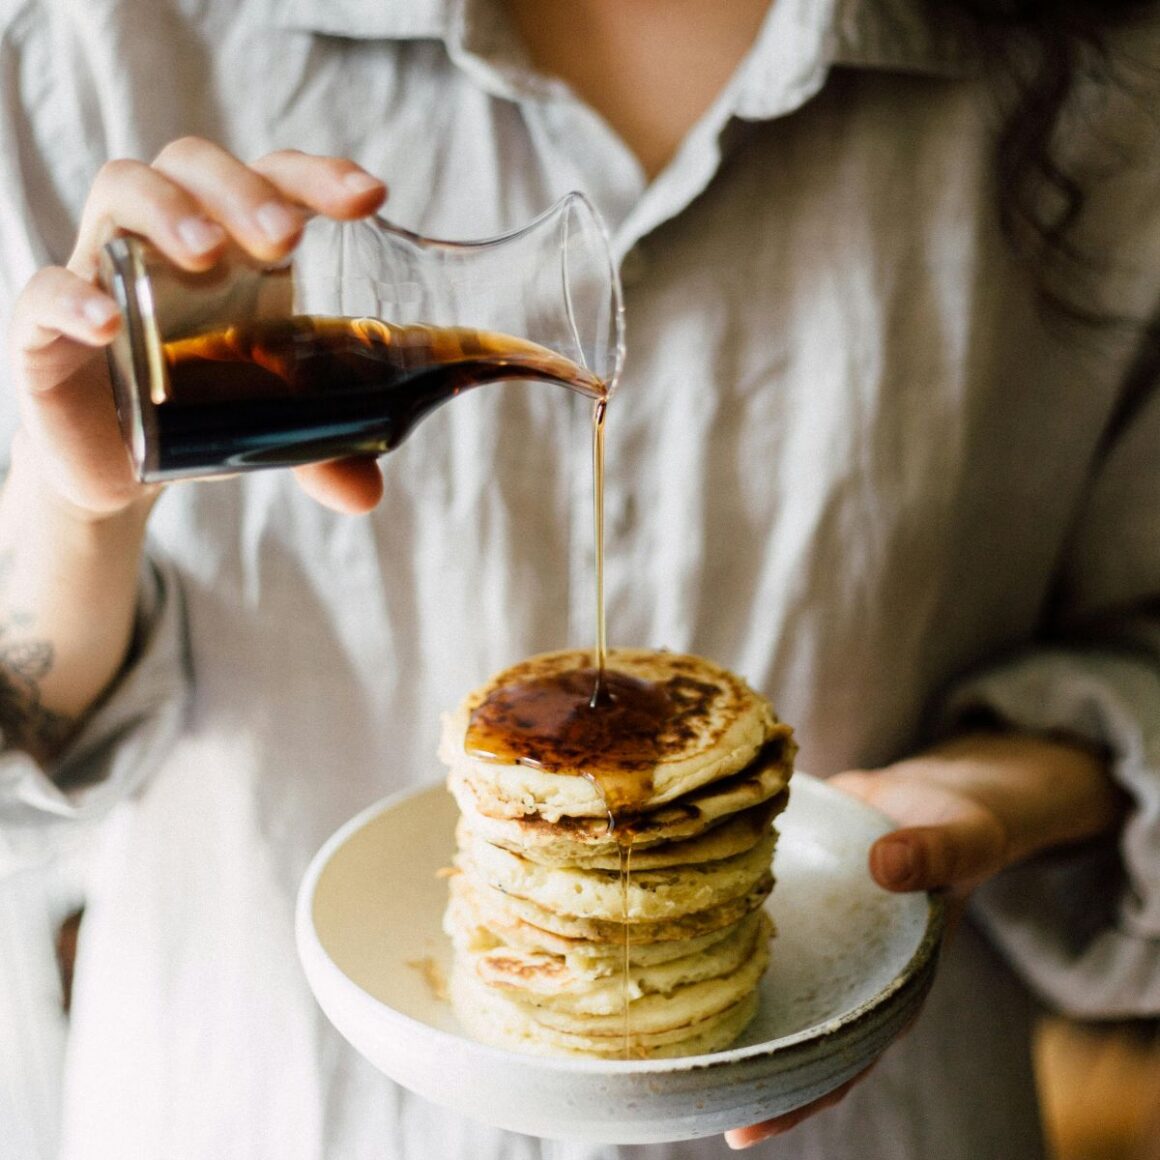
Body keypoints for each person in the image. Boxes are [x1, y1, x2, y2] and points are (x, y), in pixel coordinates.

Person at [0, 0, 1158, 1157]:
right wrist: (77, 506)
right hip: (267, 1099)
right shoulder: (113, 39)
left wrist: (999, 787)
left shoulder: (1110, 83)